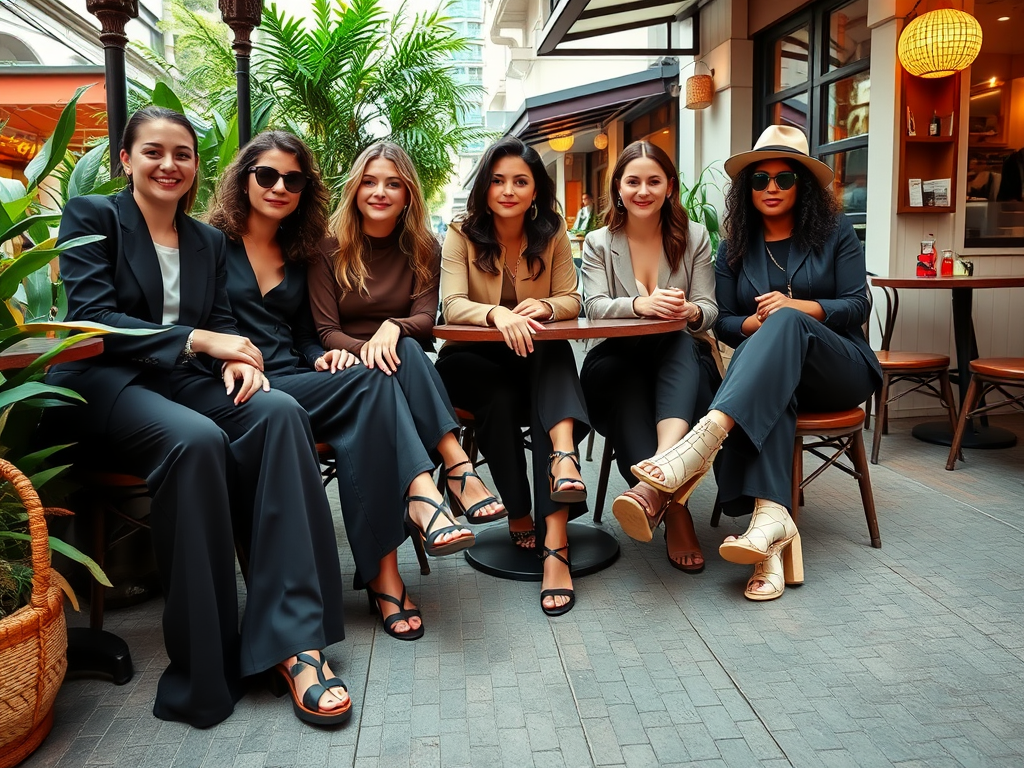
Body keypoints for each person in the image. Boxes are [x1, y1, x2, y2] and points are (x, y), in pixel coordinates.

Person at [48, 107, 350, 727]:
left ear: (195, 166)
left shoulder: (207, 241)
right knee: (197, 442)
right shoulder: (92, 217)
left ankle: (294, 639)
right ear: (125, 160)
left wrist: (239, 362)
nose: (169, 164)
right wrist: (204, 343)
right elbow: (93, 318)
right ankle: (203, 671)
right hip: (104, 383)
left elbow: (224, 325)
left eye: (182, 153)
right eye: (153, 152)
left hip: (184, 381)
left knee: (279, 412)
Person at [208, 134, 486, 643]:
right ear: (242, 179)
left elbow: (303, 335)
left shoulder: (296, 247)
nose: (279, 186)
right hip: (242, 384)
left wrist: (325, 355)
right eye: (266, 175)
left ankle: (392, 561)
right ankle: (420, 506)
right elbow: (196, 319)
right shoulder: (211, 245)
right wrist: (223, 352)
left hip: (297, 375)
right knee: (374, 388)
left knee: (374, 388)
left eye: (292, 179)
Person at [631, 125, 881, 602]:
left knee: (786, 324)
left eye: (784, 178)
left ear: (802, 185)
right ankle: (769, 536)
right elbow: (722, 321)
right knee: (772, 382)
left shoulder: (836, 233)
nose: (770, 187)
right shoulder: (736, 245)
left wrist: (801, 308)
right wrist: (756, 324)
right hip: (777, 377)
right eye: (760, 178)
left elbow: (857, 304)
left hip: (839, 369)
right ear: (746, 188)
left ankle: (704, 441)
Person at [435, 136, 590, 617]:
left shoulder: (552, 231)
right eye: (498, 180)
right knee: (499, 397)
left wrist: (543, 306)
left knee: (554, 351)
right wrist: (496, 316)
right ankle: (520, 511)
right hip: (469, 359)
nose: (508, 190)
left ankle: (557, 534)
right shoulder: (461, 233)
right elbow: (451, 304)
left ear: (534, 189)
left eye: (520, 181)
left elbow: (571, 299)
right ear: (484, 187)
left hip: (533, 356)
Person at [580, 140, 719, 573]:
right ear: (618, 188)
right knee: (625, 379)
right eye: (633, 181)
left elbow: (710, 309)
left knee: (678, 339)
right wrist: (638, 305)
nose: (643, 190)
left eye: (653, 181)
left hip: (677, 362)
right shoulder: (599, 241)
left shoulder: (694, 236)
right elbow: (593, 306)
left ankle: (659, 476)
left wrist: (689, 310)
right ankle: (675, 502)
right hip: (615, 358)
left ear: (670, 187)